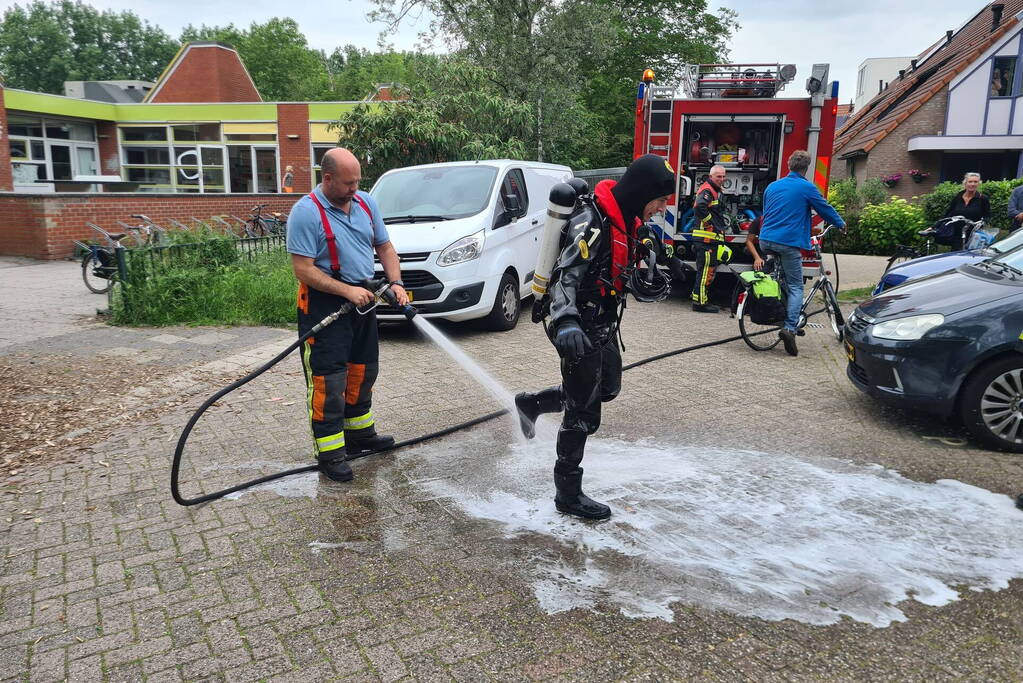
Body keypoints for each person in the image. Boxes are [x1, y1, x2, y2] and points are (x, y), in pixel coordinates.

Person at [514, 154, 675, 520]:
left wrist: (664, 262)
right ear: (643, 191)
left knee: (607, 389)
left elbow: (629, 258)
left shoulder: (628, 220)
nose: (662, 208)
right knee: (584, 413)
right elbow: (565, 275)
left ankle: (533, 404)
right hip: (575, 325)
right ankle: (567, 493)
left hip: (601, 322)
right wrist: (567, 320)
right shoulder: (591, 222)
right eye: (661, 199)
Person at [286, 148, 409, 482]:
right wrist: (346, 291)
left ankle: (360, 436)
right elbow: (303, 270)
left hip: (362, 301)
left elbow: (384, 247)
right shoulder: (306, 213)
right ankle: (330, 453)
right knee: (329, 380)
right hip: (324, 307)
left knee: (362, 371)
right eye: (347, 183)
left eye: (357, 181)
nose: (355, 189)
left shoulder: (366, 203)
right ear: (327, 179)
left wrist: (395, 282)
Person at [758, 150, 845, 357]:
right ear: (807, 168)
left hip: (765, 240)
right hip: (788, 243)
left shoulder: (773, 186)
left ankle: (777, 307)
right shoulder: (807, 187)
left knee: (782, 280)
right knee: (797, 286)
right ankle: (789, 328)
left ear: (789, 165)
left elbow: (766, 210)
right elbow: (824, 209)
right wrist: (840, 224)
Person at [690, 164, 731, 313]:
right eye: (718, 176)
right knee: (705, 272)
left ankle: (700, 298)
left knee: (707, 271)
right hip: (705, 240)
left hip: (709, 240)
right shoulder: (708, 190)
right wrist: (709, 223)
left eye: (723, 176)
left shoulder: (713, 190)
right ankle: (700, 303)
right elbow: (699, 207)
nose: (722, 179)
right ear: (711, 176)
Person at [943, 172, 990, 249]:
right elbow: (949, 213)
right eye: (970, 181)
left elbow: (987, 215)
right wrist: (935, 227)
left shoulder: (983, 199)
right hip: (957, 234)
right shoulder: (958, 197)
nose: (972, 184)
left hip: (974, 235)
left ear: (979, 184)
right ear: (965, 183)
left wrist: (982, 223)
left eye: (975, 182)